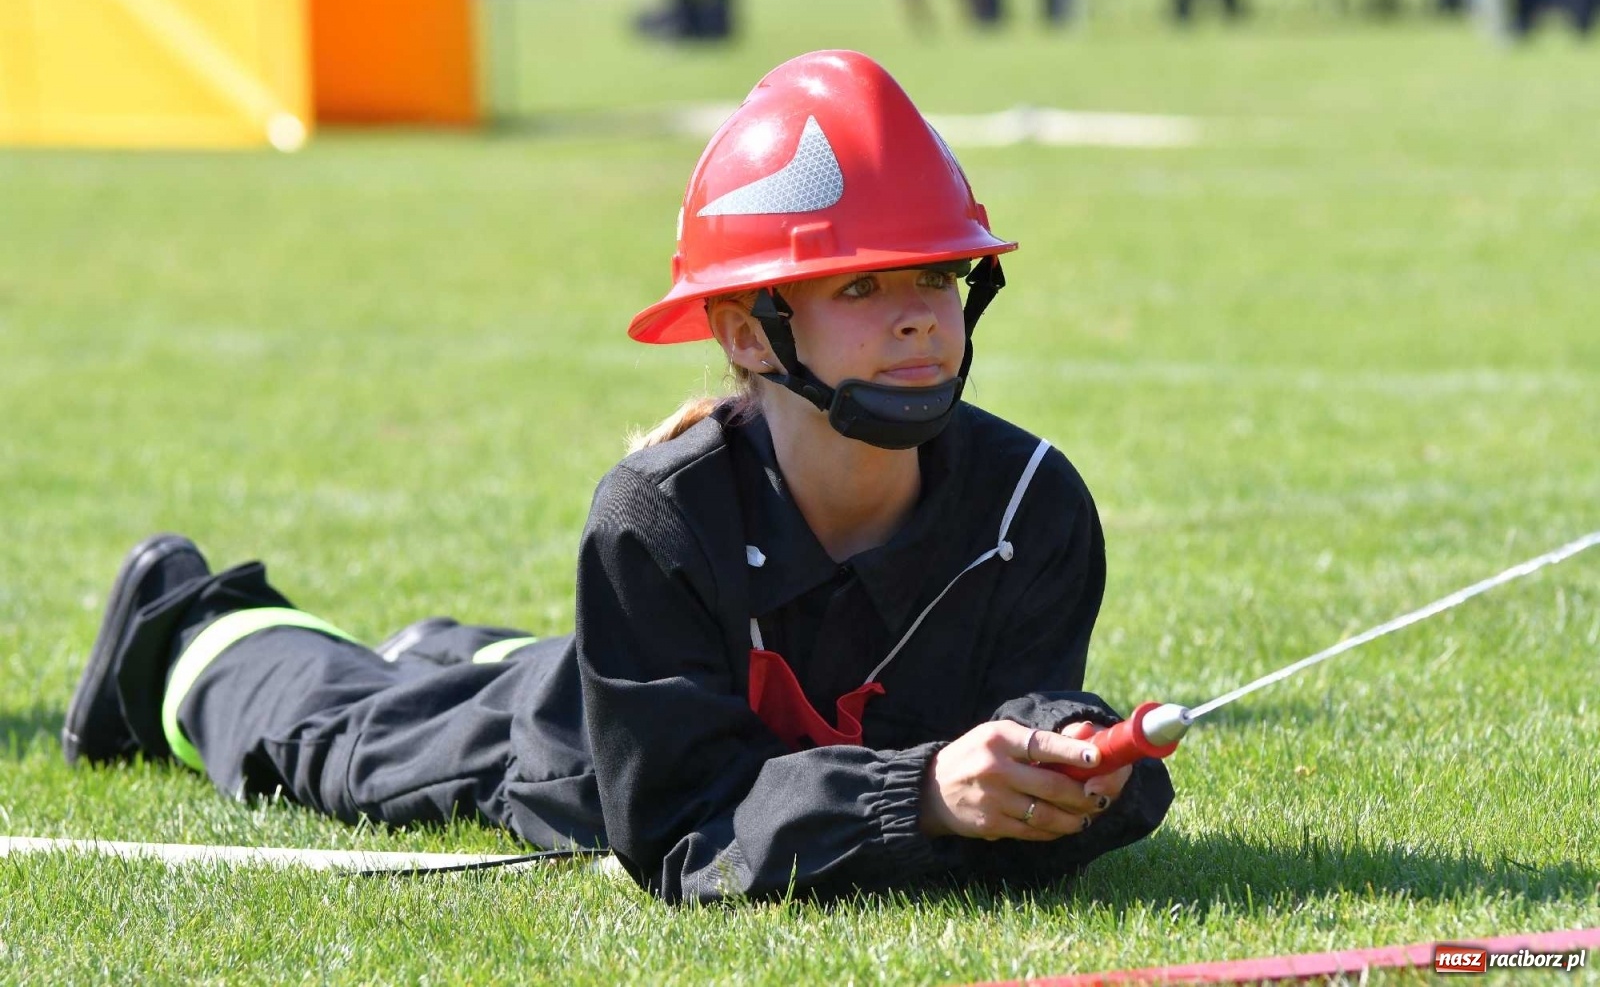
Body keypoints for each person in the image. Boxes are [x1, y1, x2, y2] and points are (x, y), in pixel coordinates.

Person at [61, 50, 1174, 904]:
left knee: (500, 672)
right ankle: (184, 625)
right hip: (585, 753)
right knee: (344, 747)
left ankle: (450, 649)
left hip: (657, 682)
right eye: (860, 285)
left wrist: (1073, 756)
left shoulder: (1033, 503)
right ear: (748, 333)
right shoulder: (656, 521)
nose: (917, 315)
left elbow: (1023, 705)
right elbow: (684, 829)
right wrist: (919, 795)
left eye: (935, 272)